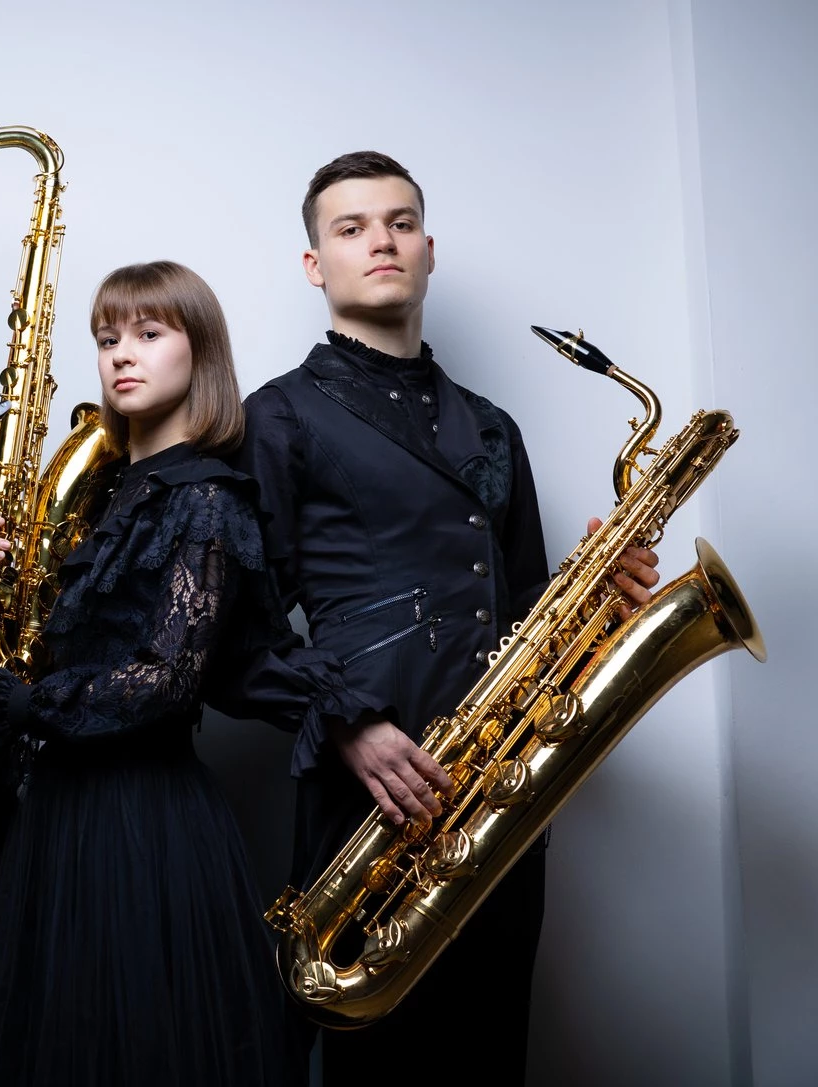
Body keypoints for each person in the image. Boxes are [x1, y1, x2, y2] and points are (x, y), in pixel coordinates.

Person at [224, 152, 661, 1084]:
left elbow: (528, 609)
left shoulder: (494, 425)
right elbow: (234, 636)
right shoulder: (277, 417)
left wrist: (600, 603)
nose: (381, 241)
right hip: (373, 793)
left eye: (401, 222)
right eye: (351, 228)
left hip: (500, 790)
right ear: (315, 265)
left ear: (429, 250)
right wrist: (348, 723)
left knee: (492, 1051)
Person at [0, 261, 293, 1086]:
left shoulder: (208, 499)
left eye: (148, 332)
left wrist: (24, 701)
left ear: (200, 350)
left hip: (141, 816)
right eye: (107, 339)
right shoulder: (106, 495)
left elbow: (168, 680)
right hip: (55, 809)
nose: (121, 354)